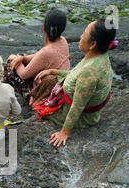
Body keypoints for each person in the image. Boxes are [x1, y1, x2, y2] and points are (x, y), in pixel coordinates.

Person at [33, 18, 118, 147]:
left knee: (37, 101)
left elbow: (77, 106)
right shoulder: (99, 57)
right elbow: (75, 77)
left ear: (93, 44)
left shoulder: (89, 72)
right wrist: (53, 71)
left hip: (82, 117)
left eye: (84, 33)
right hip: (82, 102)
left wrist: (64, 132)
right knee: (48, 79)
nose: (80, 36)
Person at [4, 9, 70, 105]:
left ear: (44, 28)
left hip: (43, 93)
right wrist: (23, 58)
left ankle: (3, 95)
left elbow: (24, 74)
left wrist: (14, 58)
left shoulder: (46, 52)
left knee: (10, 66)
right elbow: (38, 57)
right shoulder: (63, 41)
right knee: (20, 59)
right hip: (58, 86)